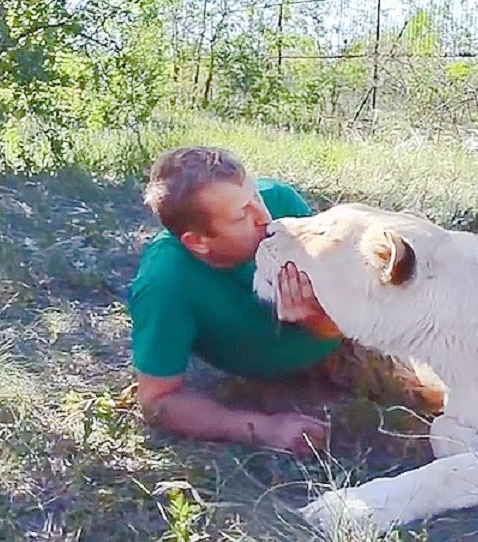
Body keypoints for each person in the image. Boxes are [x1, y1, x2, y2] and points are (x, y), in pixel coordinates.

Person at [127, 146, 445, 457]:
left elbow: (357, 310)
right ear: (198, 242)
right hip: (265, 376)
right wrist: (264, 430)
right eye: (241, 216)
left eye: (256, 198)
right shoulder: (164, 283)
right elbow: (157, 401)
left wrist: (314, 319)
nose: (266, 218)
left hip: (351, 339)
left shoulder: (280, 201)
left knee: (445, 384)